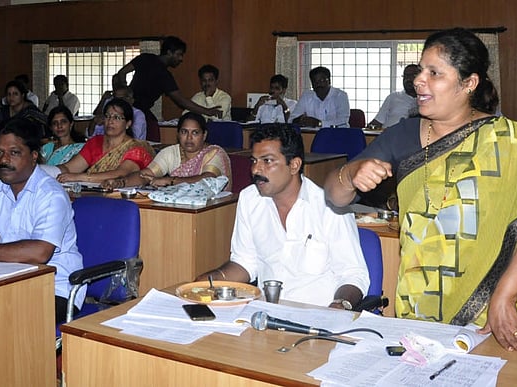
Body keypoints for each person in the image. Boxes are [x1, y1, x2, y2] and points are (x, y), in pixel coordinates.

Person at [325, 28, 517, 352]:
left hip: (493, 317)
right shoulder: (404, 134)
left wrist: (505, 295)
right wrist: (351, 173)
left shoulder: (509, 141)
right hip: (419, 313)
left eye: (435, 73)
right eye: (420, 70)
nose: (418, 80)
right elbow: (333, 195)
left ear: (469, 83)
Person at [196, 124, 368, 307]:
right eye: (254, 161)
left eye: (267, 161)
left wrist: (339, 305)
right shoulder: (249, 199)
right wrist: (213, 280)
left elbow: (353, 275)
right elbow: (245, 262)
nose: (256, 170)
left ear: (294, 165)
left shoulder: (331, 207)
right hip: (266, 314)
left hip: (317, 317)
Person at [0, 119, 84, 324]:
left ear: (34, 156)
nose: (4, 159)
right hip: (5, 277)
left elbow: (40, 252)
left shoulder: (51, 194)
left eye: (14, 152)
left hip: (55, 287)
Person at [113, 36, 221, 141]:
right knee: (151, 137)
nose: (181, 59)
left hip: (125, 108)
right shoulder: (164, 76)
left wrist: (124, 92)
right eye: (179, 55)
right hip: (138, 111)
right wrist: (207, 111)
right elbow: (181, 101)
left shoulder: (145, 57)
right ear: (169, 52)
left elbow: (122, 73)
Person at [103, 112, 231, 190]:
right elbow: (146, 175)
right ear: (178, 134)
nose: (189, 138)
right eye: (184, 132)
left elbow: (207, 179)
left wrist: (170, 181)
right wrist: (121, 182)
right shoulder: (171, 153)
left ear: (204, 135)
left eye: (195, 133)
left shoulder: (214, 153)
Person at [56, 98, 154, 184]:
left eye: (117, 117)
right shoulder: (95, 142)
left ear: (128, 123)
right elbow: (70, 168)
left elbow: (120, 174)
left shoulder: (135, 148)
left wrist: (81, 177)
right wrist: (46, 171)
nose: (110, 121)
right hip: (92, 193)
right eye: (107, 116)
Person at [368, 64, 421, 129]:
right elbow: (377, 121)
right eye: (406, 76)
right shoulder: (393, 97)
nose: (408, 79)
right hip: (389, 136)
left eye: (413, 75)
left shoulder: (427, 100)